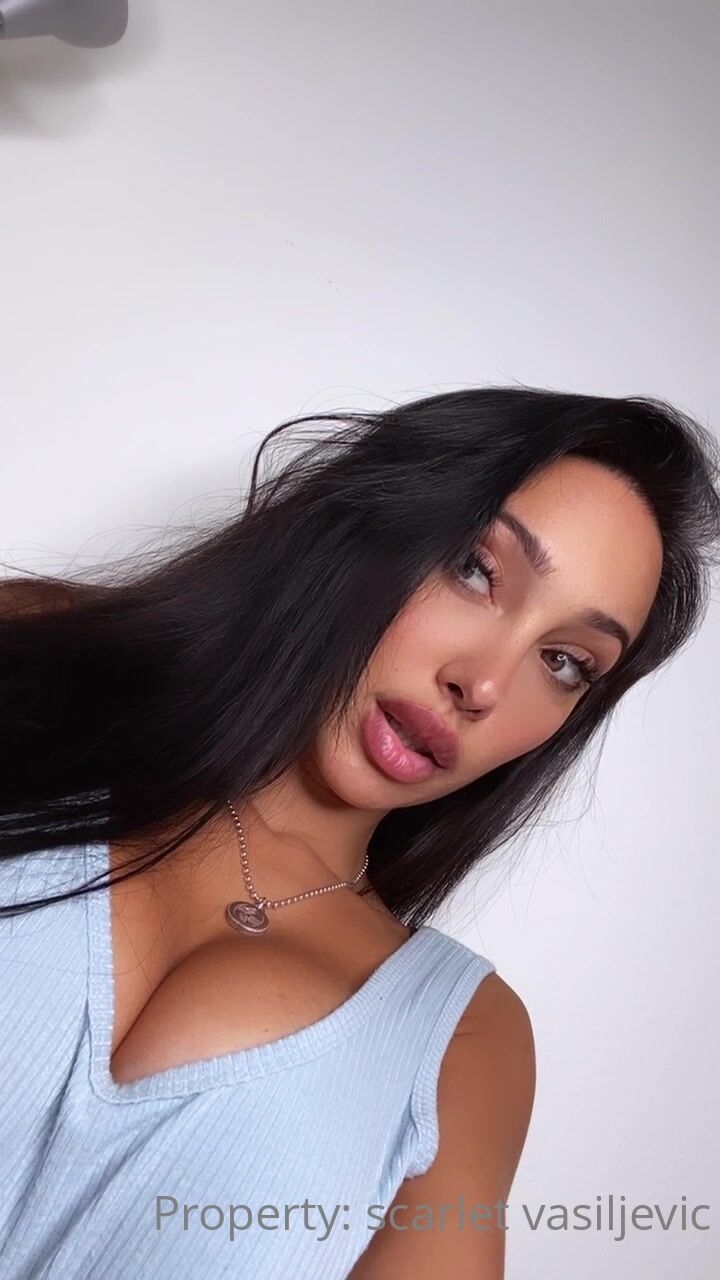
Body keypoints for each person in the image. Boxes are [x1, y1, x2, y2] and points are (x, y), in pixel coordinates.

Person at [1, 385, 718, 1279]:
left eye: (565, 661)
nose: (484, 684)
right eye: (476, 570)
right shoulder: (33, 662)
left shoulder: (460, 1042)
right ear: (371, 519)